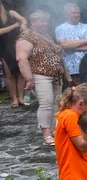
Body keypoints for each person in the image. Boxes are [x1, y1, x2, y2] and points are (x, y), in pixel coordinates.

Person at [18, 10, 68, 143]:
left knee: (56, 103)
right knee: (46, 103)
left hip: (56, 76)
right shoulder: (27, 36)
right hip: (40, 75)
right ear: (33, 22)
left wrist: (66, 74)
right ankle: (46, 134)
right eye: (41, 20)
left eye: (46, 20)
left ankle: (54, 130)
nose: (45, 23)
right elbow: (21, 58)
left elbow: (58, 56)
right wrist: (29, 79)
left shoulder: (46, 35)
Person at [55, 4, 87, 86]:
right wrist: (86, 40)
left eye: (78, 13)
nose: (77, 15)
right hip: (70, 70)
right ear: (66, 14)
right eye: (73, 13)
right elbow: (65, 45)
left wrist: (72, 45)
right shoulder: (60, 28)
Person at [0, 0, 26, 107]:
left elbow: (23, 19)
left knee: (21, 73)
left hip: (17, 44)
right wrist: (15, 25)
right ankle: (14, 98)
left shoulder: (11, 13)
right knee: (9, 74)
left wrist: (23, 24)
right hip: (4, 47)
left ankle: (21, 97)